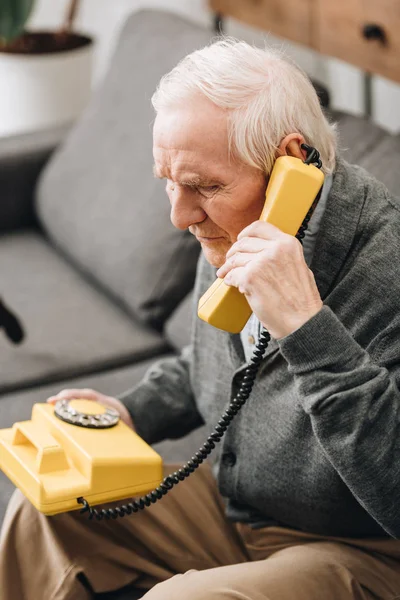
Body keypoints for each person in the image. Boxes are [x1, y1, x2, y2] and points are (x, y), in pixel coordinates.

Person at [1, 38, 400, 600]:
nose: (179, 215)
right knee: (46, 509)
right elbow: (213, 360)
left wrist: (309, 330)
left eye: (206, 187)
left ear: (293, 162)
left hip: (360, 548)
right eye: (170, 180)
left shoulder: (388, 268)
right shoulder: (235, 225)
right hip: (240, 511)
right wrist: (130, 411)